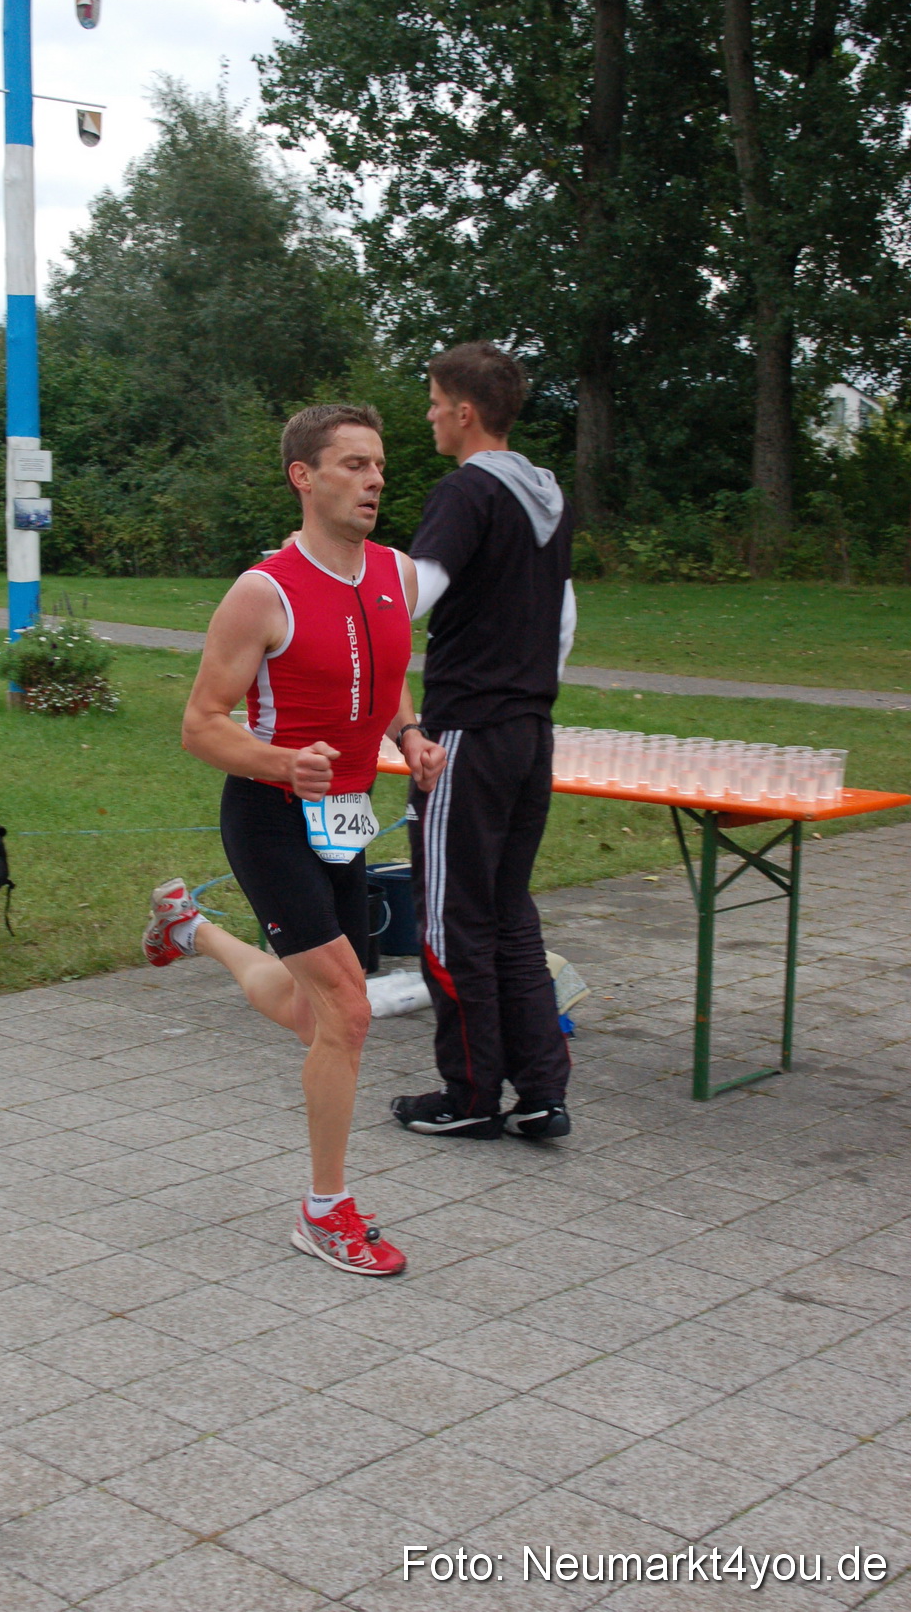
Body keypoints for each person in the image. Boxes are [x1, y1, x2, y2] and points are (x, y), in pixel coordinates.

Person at [143, 404, 445, 1277]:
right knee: (348, 1012)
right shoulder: (261, 591)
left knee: (319, 1012)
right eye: (352, 465)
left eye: (379, 466)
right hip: (271, 816)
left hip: (344, 815)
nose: (375, 480)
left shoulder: (395, 574)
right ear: (303, 478)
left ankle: (189, 930)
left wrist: (409, 734)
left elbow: (383, 673)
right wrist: (281, 762)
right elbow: (201, 727)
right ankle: (323, 1210)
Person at [390, 342, 576, 1141]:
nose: (428, 414)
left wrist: (338, 587)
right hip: (531, 732)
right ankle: (539, 1092)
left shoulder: (466, 492)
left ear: (464, 410)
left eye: (433, 401)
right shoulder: (549, 495)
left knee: (448, 918)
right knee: (508, 915)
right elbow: (564, 617)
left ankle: (468, 1095)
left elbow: (416, 593)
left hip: (465, 732)